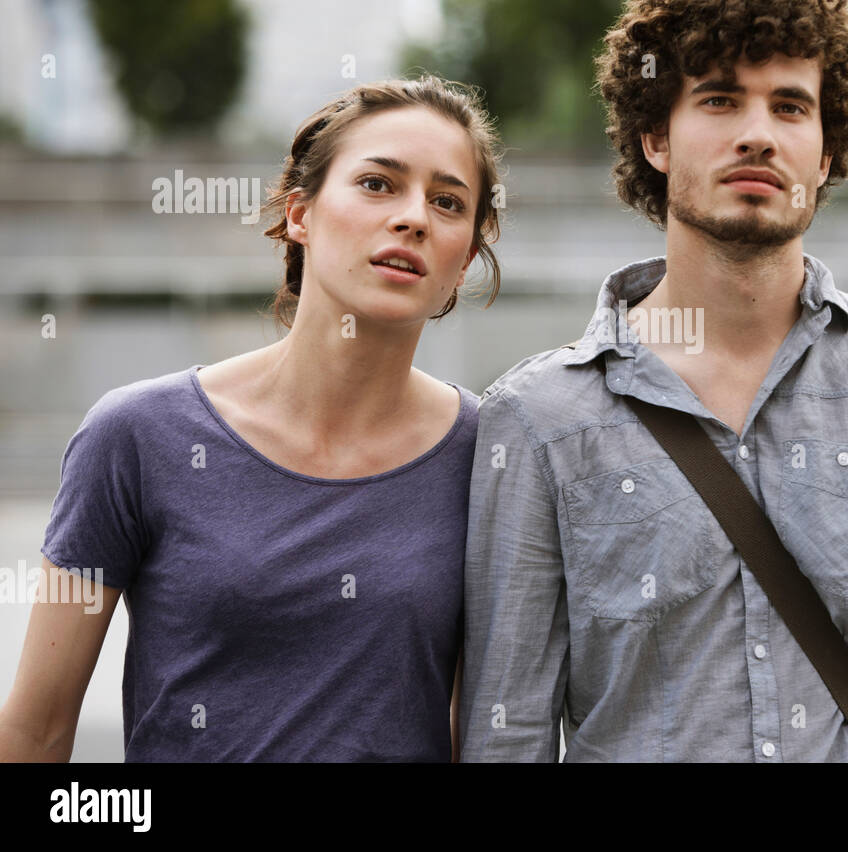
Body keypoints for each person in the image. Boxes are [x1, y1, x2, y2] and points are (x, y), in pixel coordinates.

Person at [459, 0, 848, 762]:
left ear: (828, 148)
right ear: (655, 139)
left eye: (791, 106)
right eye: (721, 99)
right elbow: (505, 735)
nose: (759, 134)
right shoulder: (539, 423)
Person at [0, 74, 502, 762]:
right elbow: (35, 732)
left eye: (448, 202)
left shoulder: (495, 454)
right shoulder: (136, 436)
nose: (413, 216)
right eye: (378, 184)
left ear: (466, 256)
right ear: (300, 214)